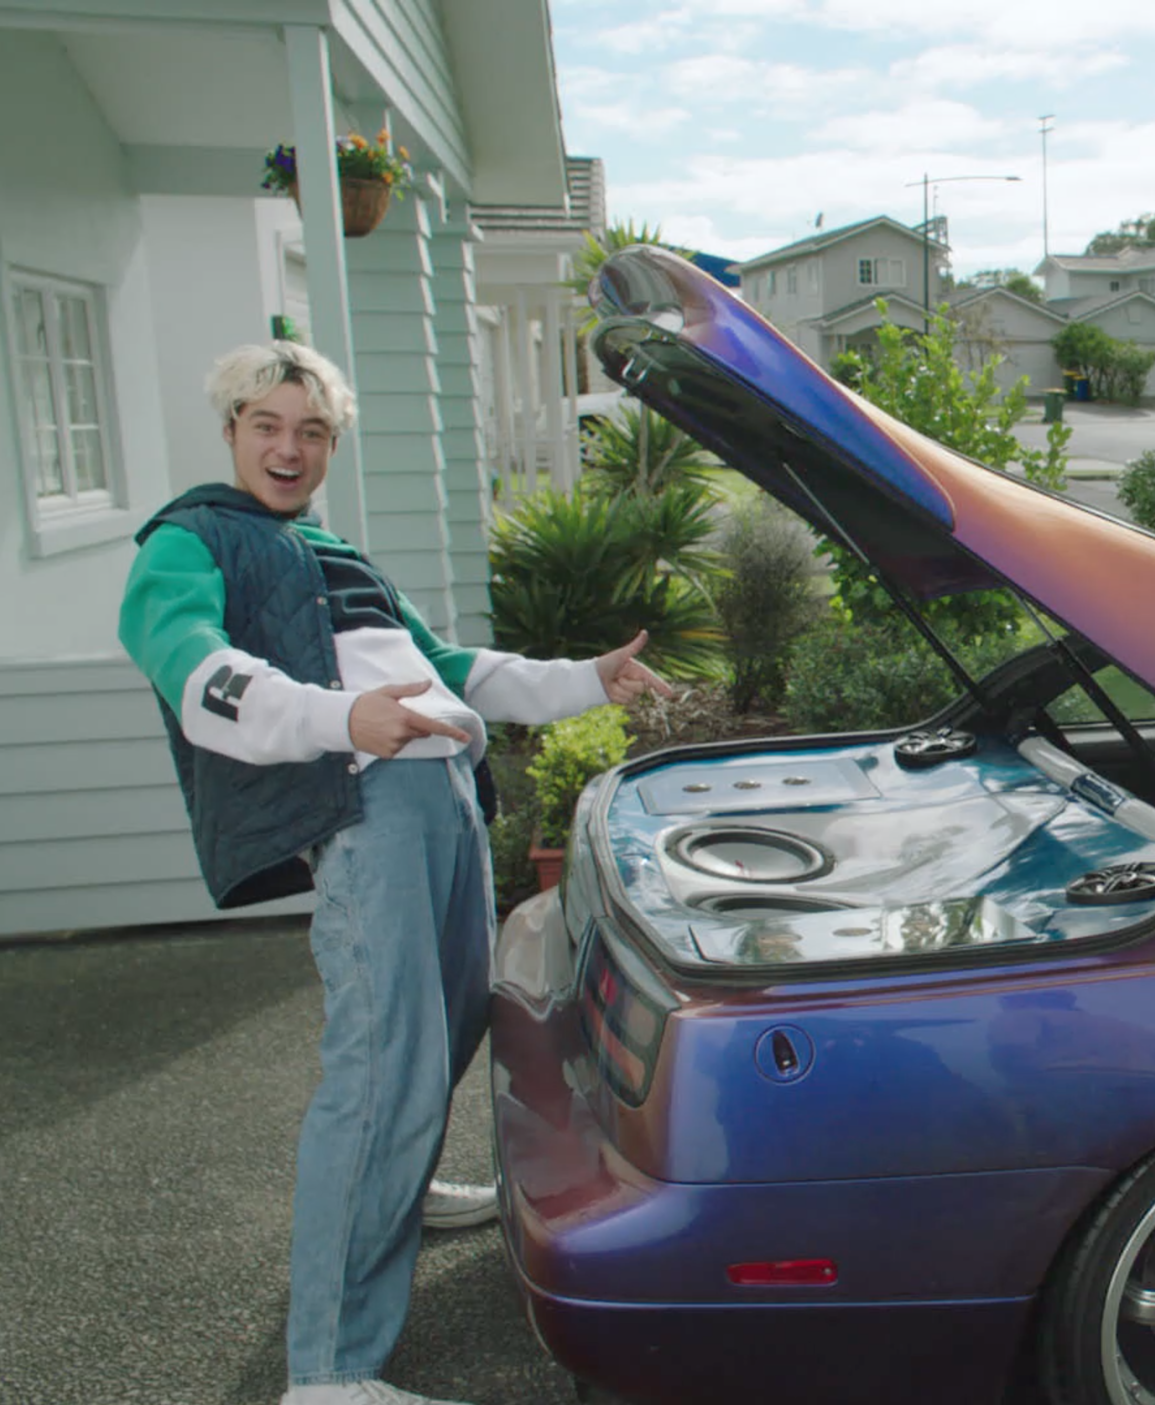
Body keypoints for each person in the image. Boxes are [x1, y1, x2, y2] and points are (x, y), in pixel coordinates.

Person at [118, 342, 673, 1405]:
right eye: (267, 426)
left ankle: (388, 1195)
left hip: (443, 795)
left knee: (451, 1018)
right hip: (367, 803)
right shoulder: (190, 539)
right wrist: (343, 719)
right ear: (231, 430)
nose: (289, 448)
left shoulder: (328, 549)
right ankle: (329, 1371)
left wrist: (587, 678)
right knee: (381, 1063)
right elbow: (198, 674)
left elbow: (447, 668)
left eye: (312, 431)